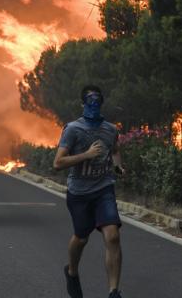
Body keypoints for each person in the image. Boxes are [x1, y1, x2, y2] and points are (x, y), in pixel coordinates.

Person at [53, 85, 126, 298]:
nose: (94, 105)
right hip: (79, 193)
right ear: (82, 103)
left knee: (112, 236)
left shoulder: (111, 129)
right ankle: (72, 272)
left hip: (104, 189)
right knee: (81, 238)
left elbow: (115, 151)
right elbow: (58, 163)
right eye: (90, 101)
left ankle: (114, 291)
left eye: (98, 101)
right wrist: (86, 154)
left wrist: (117, 166)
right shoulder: (73, 129)